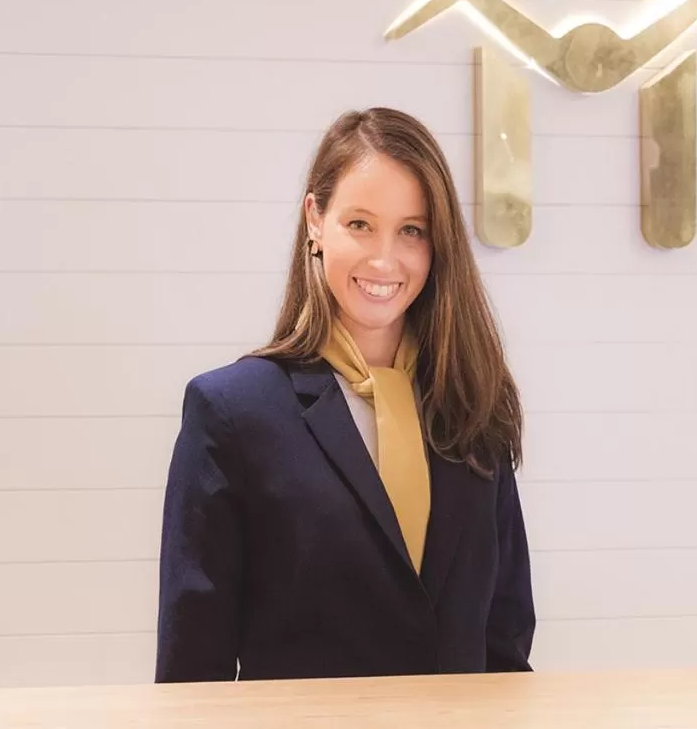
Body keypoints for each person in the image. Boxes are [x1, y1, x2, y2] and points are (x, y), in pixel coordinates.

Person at [155, 107, 535, 682]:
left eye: (412, 230)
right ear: (315, 219)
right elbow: (191, 670)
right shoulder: (232, 413)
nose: (385, 259)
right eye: (360, 224)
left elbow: (505, 644)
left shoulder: (473, 405)